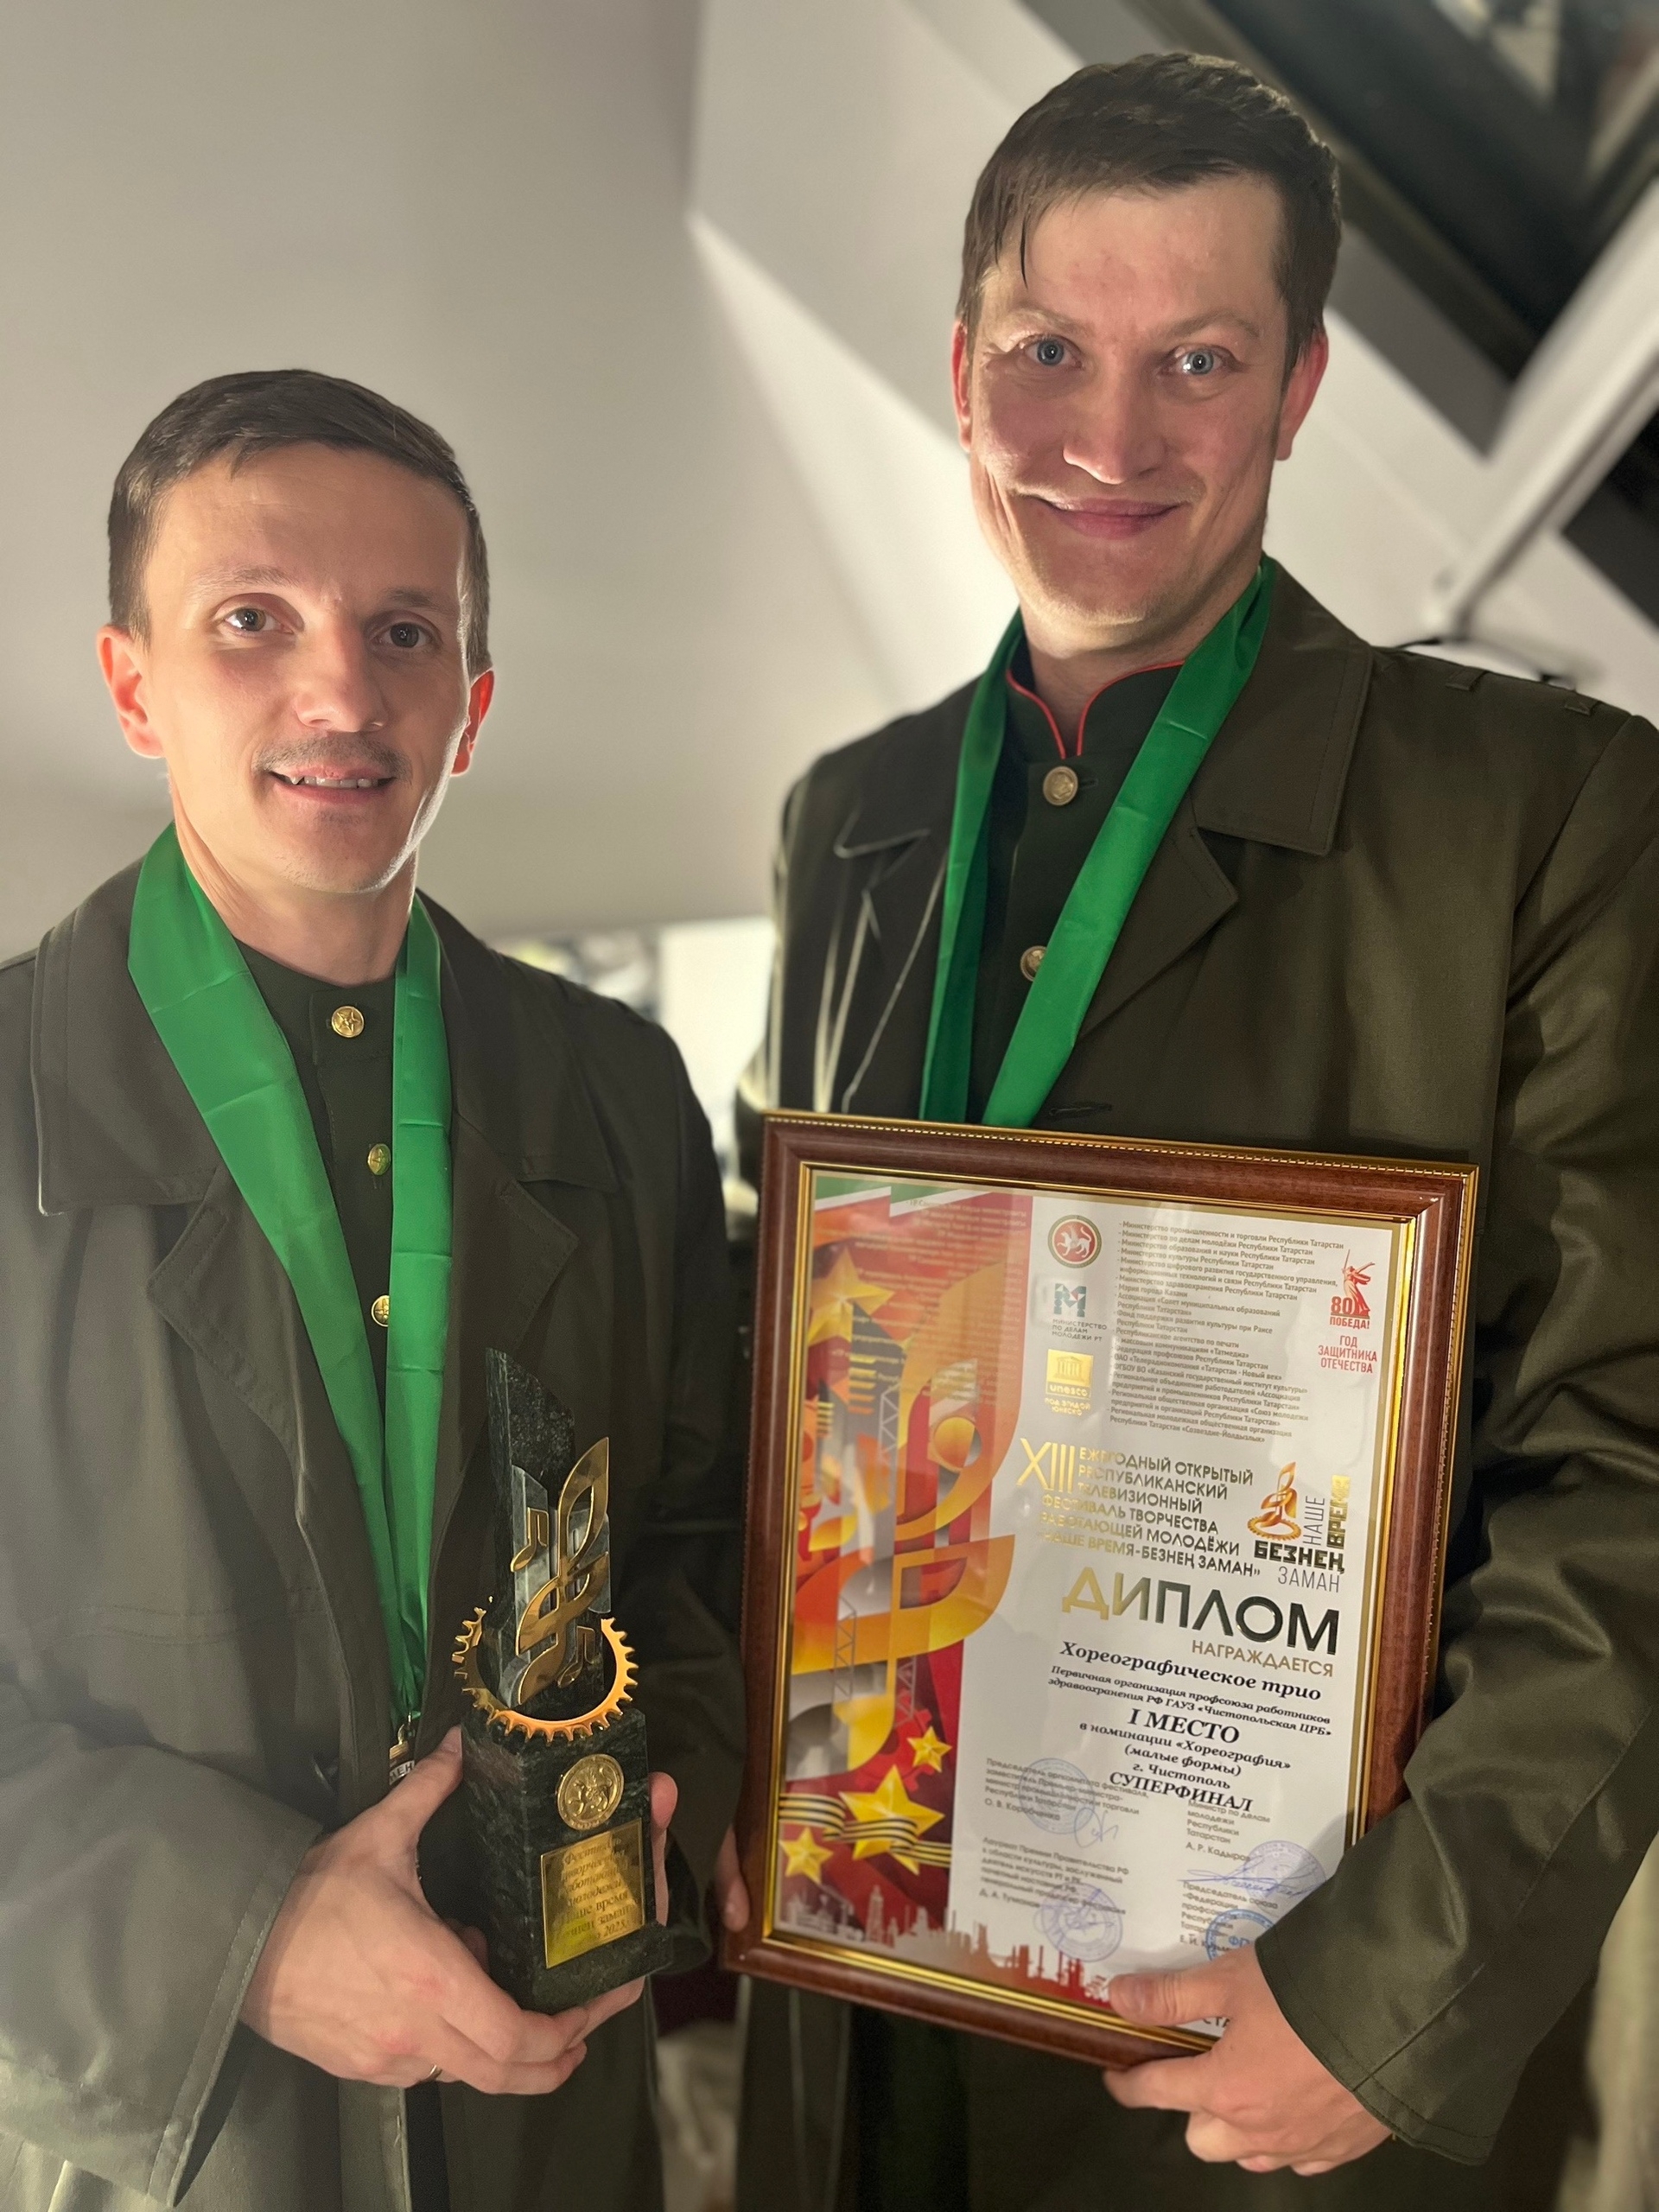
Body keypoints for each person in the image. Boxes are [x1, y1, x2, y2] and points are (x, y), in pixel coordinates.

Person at [724, 53, 1659, 2212]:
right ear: (962, 370)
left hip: (1270, 2043)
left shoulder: (1545, 813)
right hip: (872, 1976)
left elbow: (1627, 1464)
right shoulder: (848, 820)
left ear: (1301, 387)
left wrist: (1391, 1995)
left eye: (1198, 360)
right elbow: (789, 1338)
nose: (1110, 438)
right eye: (1050, 350)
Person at [0, 369, 743, 2211]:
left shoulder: (616, 1092)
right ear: (133, 684)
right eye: (252, 621)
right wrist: (243, 1935)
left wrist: (674, 1789)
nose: (343, 695)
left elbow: (695, 1539)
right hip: (162, 2139)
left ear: (472, 701)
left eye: (405, 631)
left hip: (546, 2101)